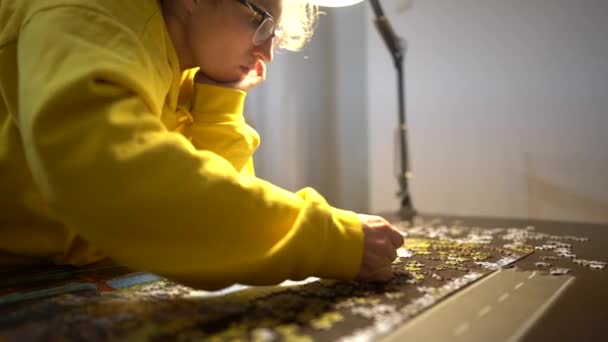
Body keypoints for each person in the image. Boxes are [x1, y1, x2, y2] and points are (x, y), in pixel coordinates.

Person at [0, 0, 404, 290]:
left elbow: (209, 226)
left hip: (50, 272)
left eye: (274, 36)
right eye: (259, 21)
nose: (267, 53)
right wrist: (329, 239)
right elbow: (118, 184)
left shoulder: (181, 63)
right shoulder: (90, 14)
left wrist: (220, 104)